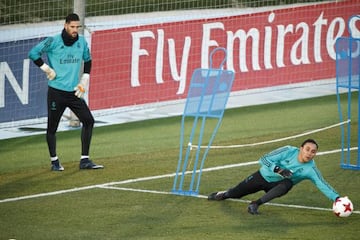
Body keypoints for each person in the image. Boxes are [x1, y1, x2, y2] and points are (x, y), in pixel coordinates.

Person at [28, 13, 104, 171]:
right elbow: (33, 53)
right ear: (65, 25)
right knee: (52, 128)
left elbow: (88, 60)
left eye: (78, 27)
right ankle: (54, 161)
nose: (75, 30)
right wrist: (46, 69)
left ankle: (85, 160)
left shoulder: (81, 42)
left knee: (89, 121)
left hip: (74, 93)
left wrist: (84, 80)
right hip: (56, 92)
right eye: (72, 27)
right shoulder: (53, 41)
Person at [208, 139, 342, 215]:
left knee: (287, 184)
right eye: (307, 149)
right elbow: (264, 159)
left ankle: (255, 204)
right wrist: (279, 170)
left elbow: (321, 183)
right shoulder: (288, 150)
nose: (309, 153)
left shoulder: (310, 169)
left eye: (313, 152)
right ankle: (224, 194)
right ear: (301, 148)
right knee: (235, 193)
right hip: (261, 176)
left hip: (277, 186)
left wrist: (336, 198)